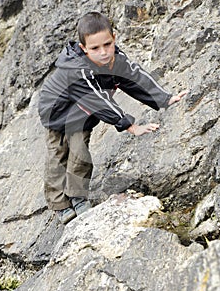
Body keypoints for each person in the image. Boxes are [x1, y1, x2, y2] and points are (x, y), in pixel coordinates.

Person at [38, 11, 186, 224]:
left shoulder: (117, 59)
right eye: (95, 48)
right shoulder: (77, 69)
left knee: (79, 152)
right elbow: (99, 101)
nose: (104, 52)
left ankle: (78, 196)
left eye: (107, 44)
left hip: (84, 113)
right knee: (57, 155)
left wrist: (165, 99)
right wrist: (130, 126)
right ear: (83, 49)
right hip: (57, 113)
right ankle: (59, 204)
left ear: (114, 38)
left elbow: (136, 78)